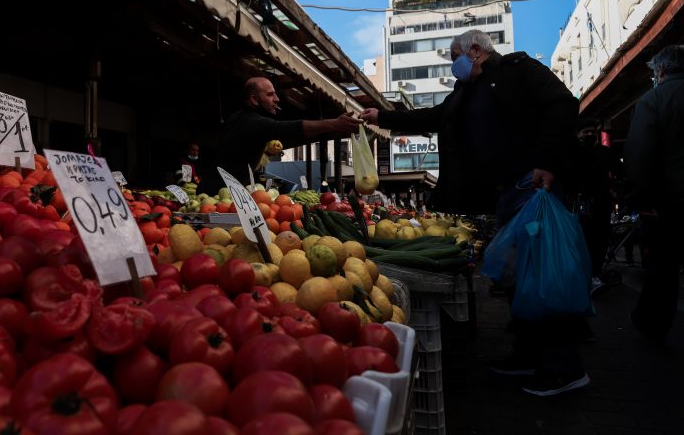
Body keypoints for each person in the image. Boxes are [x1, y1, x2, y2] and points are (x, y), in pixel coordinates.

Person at [362, 29, 588, 397]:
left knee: (544, 277)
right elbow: (432, 118)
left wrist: (546, 162)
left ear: (476, 51)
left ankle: (565, 367)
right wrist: (381, 116)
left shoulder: (519, 71)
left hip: (533, 189)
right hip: (504, 196)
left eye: (455, 57)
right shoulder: (464, 94)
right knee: (517, 279)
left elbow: (562, 104)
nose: (453, 65)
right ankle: (529, 356)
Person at [197, 76, 362, 195]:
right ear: (254, 99)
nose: (276, 99)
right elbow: (290, 128)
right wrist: (334, 123)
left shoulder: (243, 118)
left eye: (275, 94)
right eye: (269, 95)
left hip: (226, 191)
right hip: (216, 194)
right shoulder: (251, 121)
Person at [624, 44, 684, 344]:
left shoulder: (654, 100)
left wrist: (643, 200)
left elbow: (639, 156)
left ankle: (652, 325)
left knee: (663, 269)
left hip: (670, 202)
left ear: (660, 70)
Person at [575, 121, 622, 294]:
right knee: (592, 241)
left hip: (595, 205)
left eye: (590, 132)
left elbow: (619, 169)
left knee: (594, 241)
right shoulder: (582, 153)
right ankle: (591, 275)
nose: (588, 135)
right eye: (585, 131)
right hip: (589, 204)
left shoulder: (597, 153)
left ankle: (592, 275)